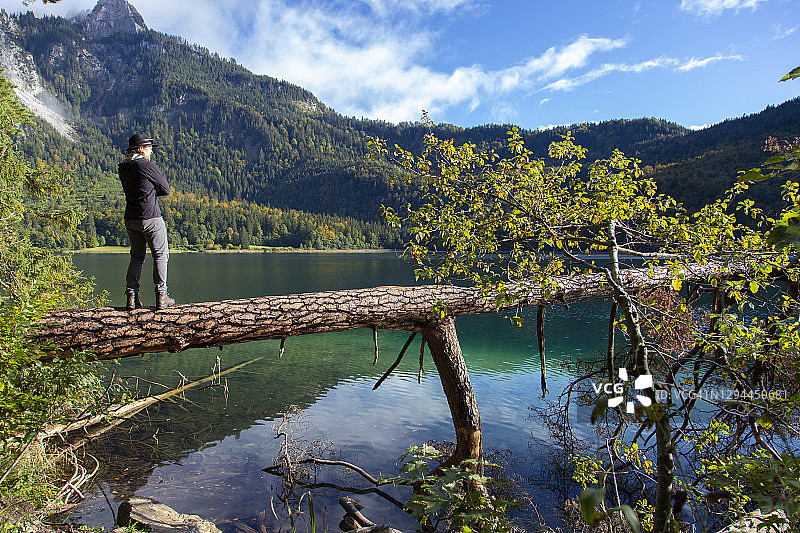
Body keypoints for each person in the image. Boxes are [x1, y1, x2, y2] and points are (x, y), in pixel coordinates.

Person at [120, 134, 175, 310]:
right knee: (160, 255)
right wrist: (152, 193)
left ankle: (131, 297)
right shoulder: (146, 165)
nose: (152, 151)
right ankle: (162, 296)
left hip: (131, 218)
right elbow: (165, 189)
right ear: (141, 149)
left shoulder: (124, 167)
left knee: (136, 257)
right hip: (150, 217)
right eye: (150, 148)